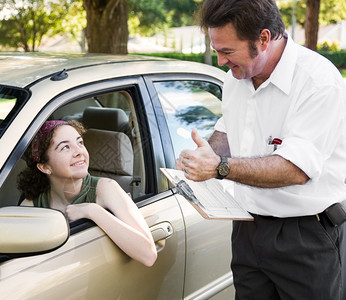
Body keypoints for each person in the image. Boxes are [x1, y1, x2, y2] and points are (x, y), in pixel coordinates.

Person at [177, 0, 346, 298]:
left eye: (227, 51)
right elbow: (229, 129)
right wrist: (208, 152)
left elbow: (295, 170)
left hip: (306, 236)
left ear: (264, 39)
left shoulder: (318, 82)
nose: (220, 62)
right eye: (217, 50)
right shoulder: (236, 77)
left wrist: (220, 167)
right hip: (247, 229)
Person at [18, 119, 157, 267]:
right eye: (65, 147)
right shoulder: (32, 204)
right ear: (45, 167)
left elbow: (148, 255)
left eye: (80, 143)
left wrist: (93, 211)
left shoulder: (106, 188)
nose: (79, 152)